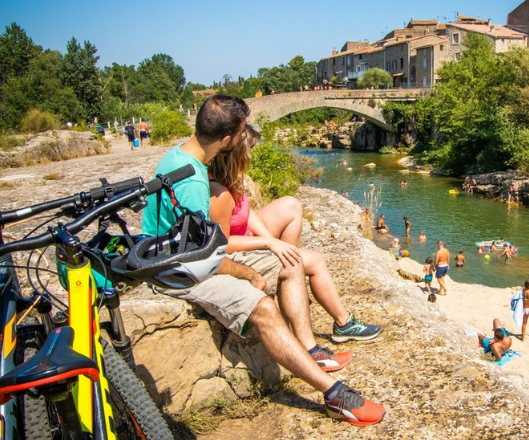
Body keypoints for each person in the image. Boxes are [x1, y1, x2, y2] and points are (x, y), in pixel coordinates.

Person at [141, 95, 384, 426]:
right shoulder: (196, 186)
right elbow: (206, 256)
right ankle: (334, 394)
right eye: (242, 132)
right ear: (226, 139)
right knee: (263, 307)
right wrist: (249, 274)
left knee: (292, 260)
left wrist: (270, 247)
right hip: (179, 271)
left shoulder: (182, 158)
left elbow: (206, 245)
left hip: (192, 256)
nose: (246, 137)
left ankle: (311, 351)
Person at [209, 124, 382, 344]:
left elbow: (246, 211)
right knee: (316, 261)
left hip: (246, 237)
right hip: (235, 251)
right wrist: (268, 243)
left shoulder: (230, 177)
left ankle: (292, 276)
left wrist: (272, 241)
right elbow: (221, 245)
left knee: (291, 205)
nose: (252, 155)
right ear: (237, 153)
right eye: (250, 150)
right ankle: (343, 323)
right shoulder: (218, 193)